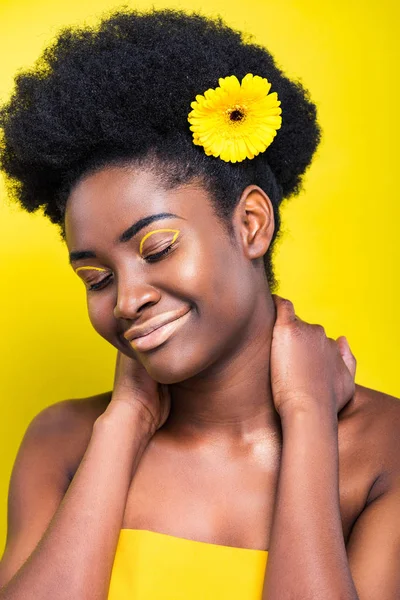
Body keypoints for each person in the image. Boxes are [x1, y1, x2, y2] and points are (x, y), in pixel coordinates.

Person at [0, 7, 399, 600]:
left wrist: (308, 418)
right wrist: (125, 425)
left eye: (156, 248)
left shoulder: (385, 448)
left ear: (251, 224)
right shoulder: (62, 441)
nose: (128, 298)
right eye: (96, 277)